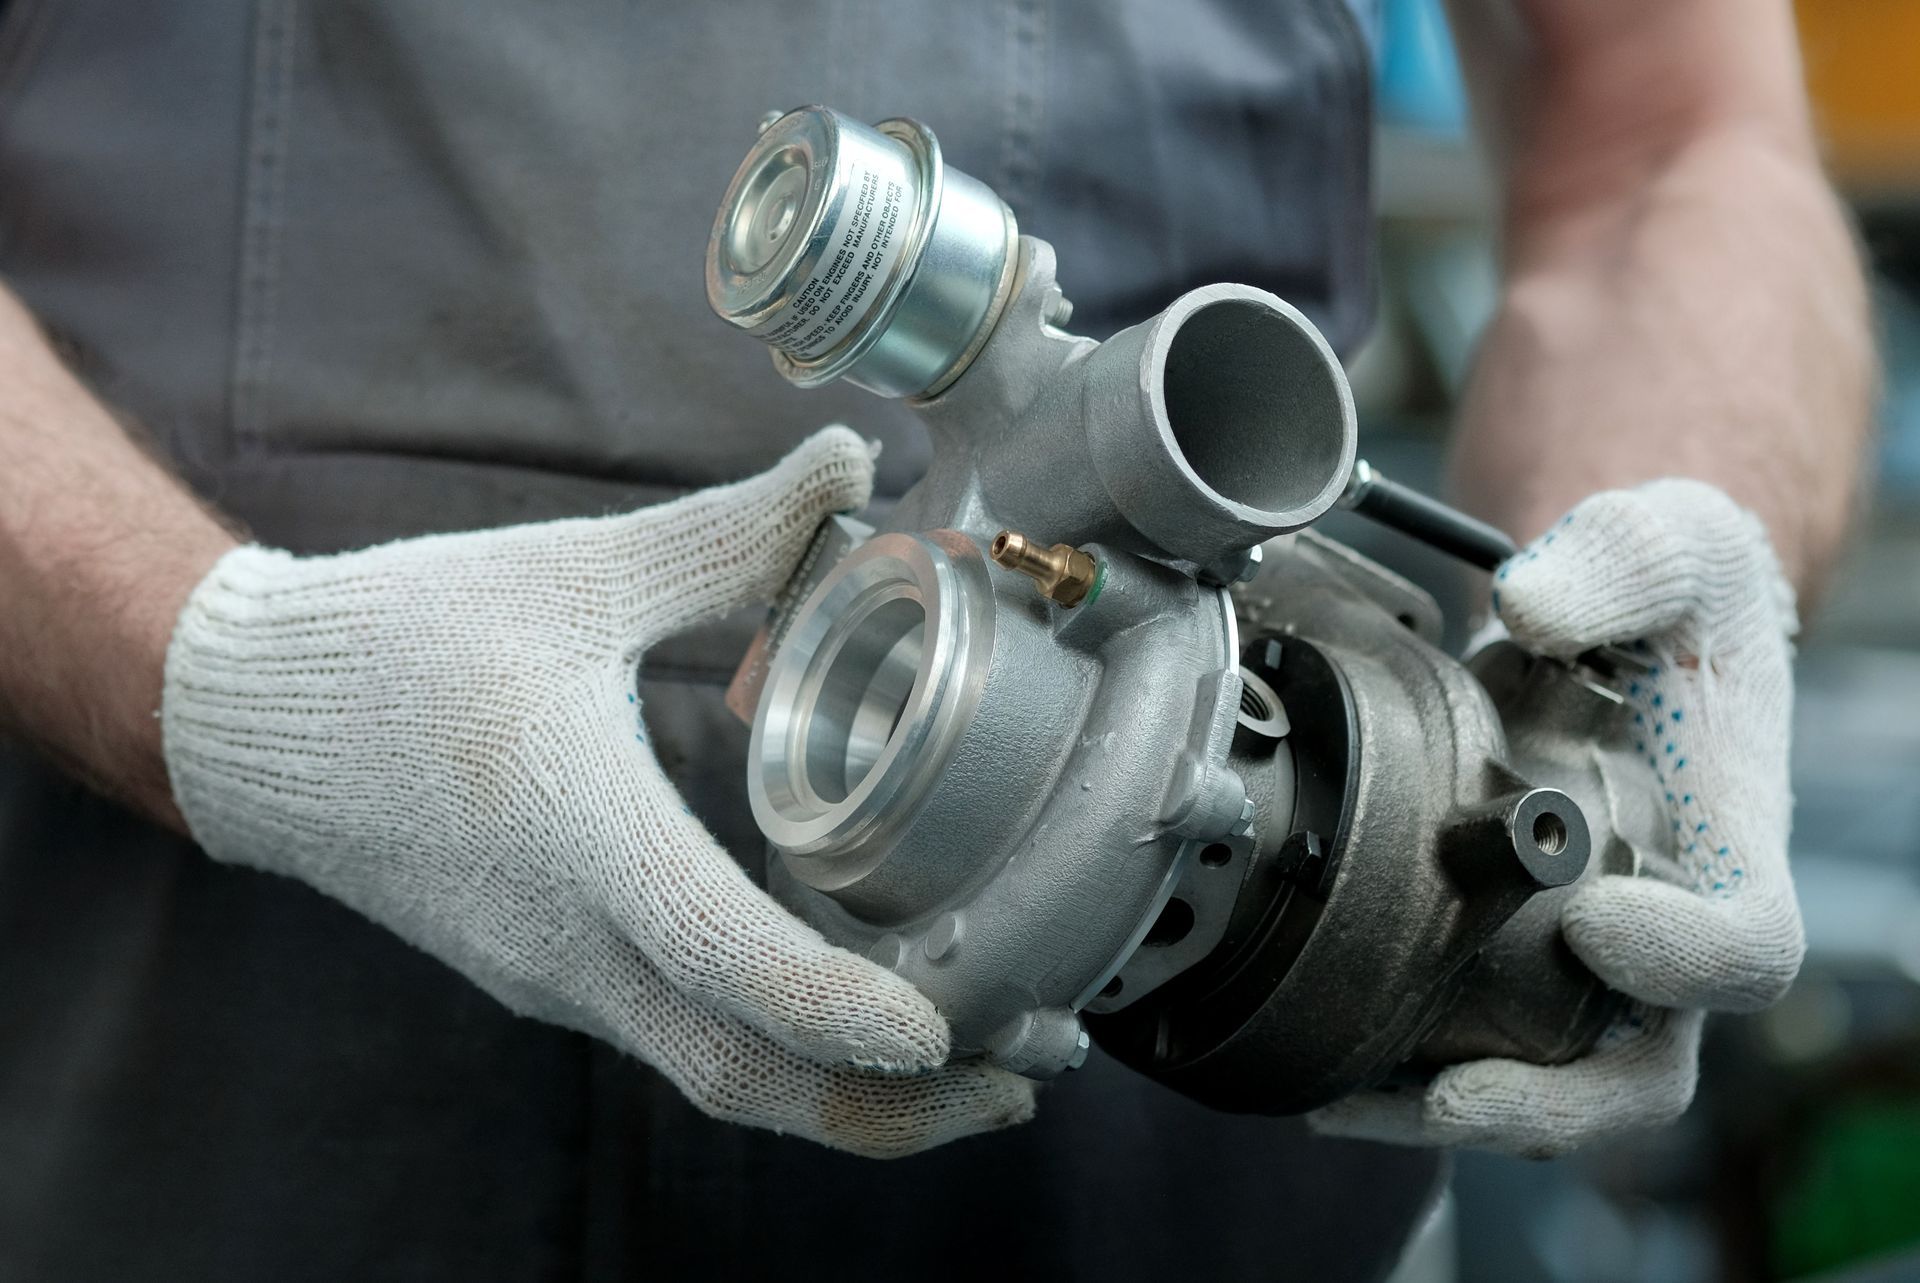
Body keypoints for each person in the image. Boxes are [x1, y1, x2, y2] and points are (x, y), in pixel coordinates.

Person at [0, 0, 1870, 1278]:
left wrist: (1657, 634)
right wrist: (223, 677)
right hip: (191, 1038)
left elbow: (1672, 136)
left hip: (1155, 1142)